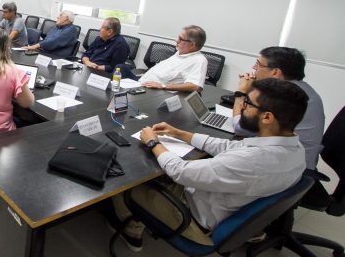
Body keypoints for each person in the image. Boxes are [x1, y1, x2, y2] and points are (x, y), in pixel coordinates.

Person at [109, 78, 307, 251]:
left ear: (267, 117)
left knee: (123, 181)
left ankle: (131, 230)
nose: (243, 107)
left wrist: (153, 142)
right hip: (223, 200)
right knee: (161, 166)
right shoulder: (295, 148)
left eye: (248, 103)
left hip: (193, 217)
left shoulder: (251, 161)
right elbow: (228, 146)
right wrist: (179, 133)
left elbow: (180, 171)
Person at [232, 47, 325, 171]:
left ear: (275, 72)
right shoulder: (301, 90)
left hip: (290, 169)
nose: (254, 68)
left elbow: (241, 128)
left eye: (258, 64)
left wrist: (241, 93)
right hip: (294, 158)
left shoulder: (284, 97)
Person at [132, 25, 208, 92]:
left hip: (150, 90)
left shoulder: (199, 60)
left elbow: (196, 86)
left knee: (122, 69)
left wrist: (163, 86)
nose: (177, 41)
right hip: (141, 82)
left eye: (181, 39)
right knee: (123, 69)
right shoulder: (180, 53)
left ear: (192, 44)